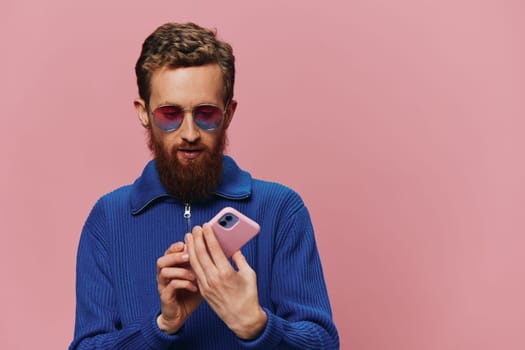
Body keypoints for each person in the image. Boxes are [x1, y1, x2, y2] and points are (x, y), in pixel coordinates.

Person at [70, 22, 339, 349]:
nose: (189, 133)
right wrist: (162, 326)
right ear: (144, 113)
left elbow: (324, 343)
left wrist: (254, 324)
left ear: (228, 114)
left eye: (206, 113)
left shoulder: (280, 209)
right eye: (170, 114)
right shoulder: (108, 219)